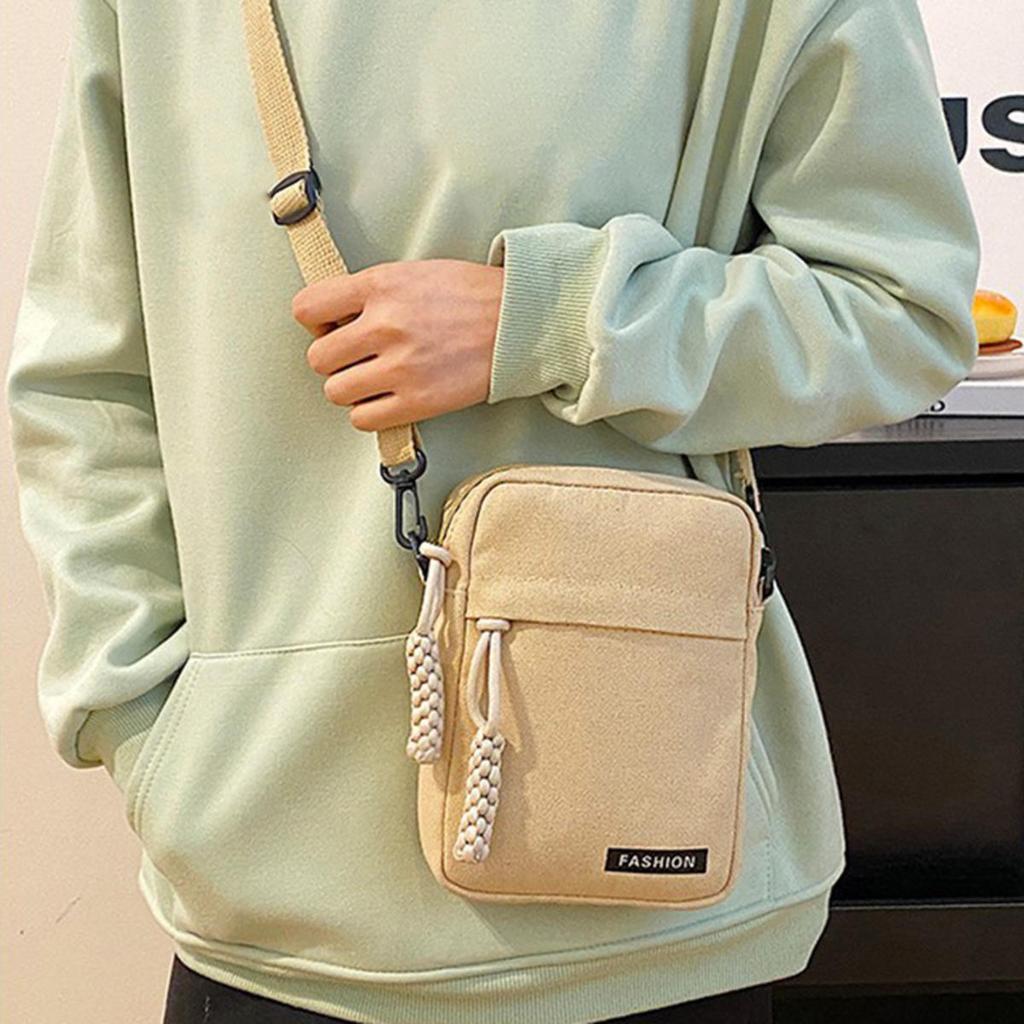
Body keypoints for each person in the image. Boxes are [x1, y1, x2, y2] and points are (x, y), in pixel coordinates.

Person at [6, 1, 979, 1022]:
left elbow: (898, 309)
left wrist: (550, 318)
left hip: (648, 901)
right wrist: (135, 719)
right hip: (270, 899)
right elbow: (89, 385)